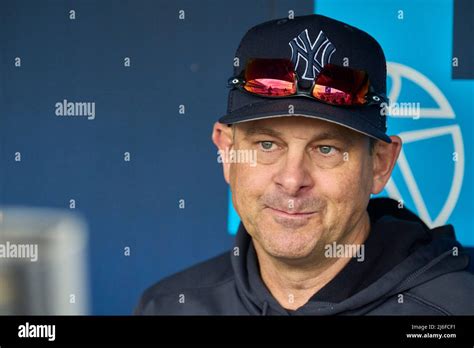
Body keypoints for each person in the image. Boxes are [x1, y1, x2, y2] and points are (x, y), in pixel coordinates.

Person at [135, 14, 474, 315]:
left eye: (326, 149)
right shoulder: (167, 306)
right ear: (226, 151)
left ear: (380, 165)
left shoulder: (455, 310)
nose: (292, 179)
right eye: (267, 145)